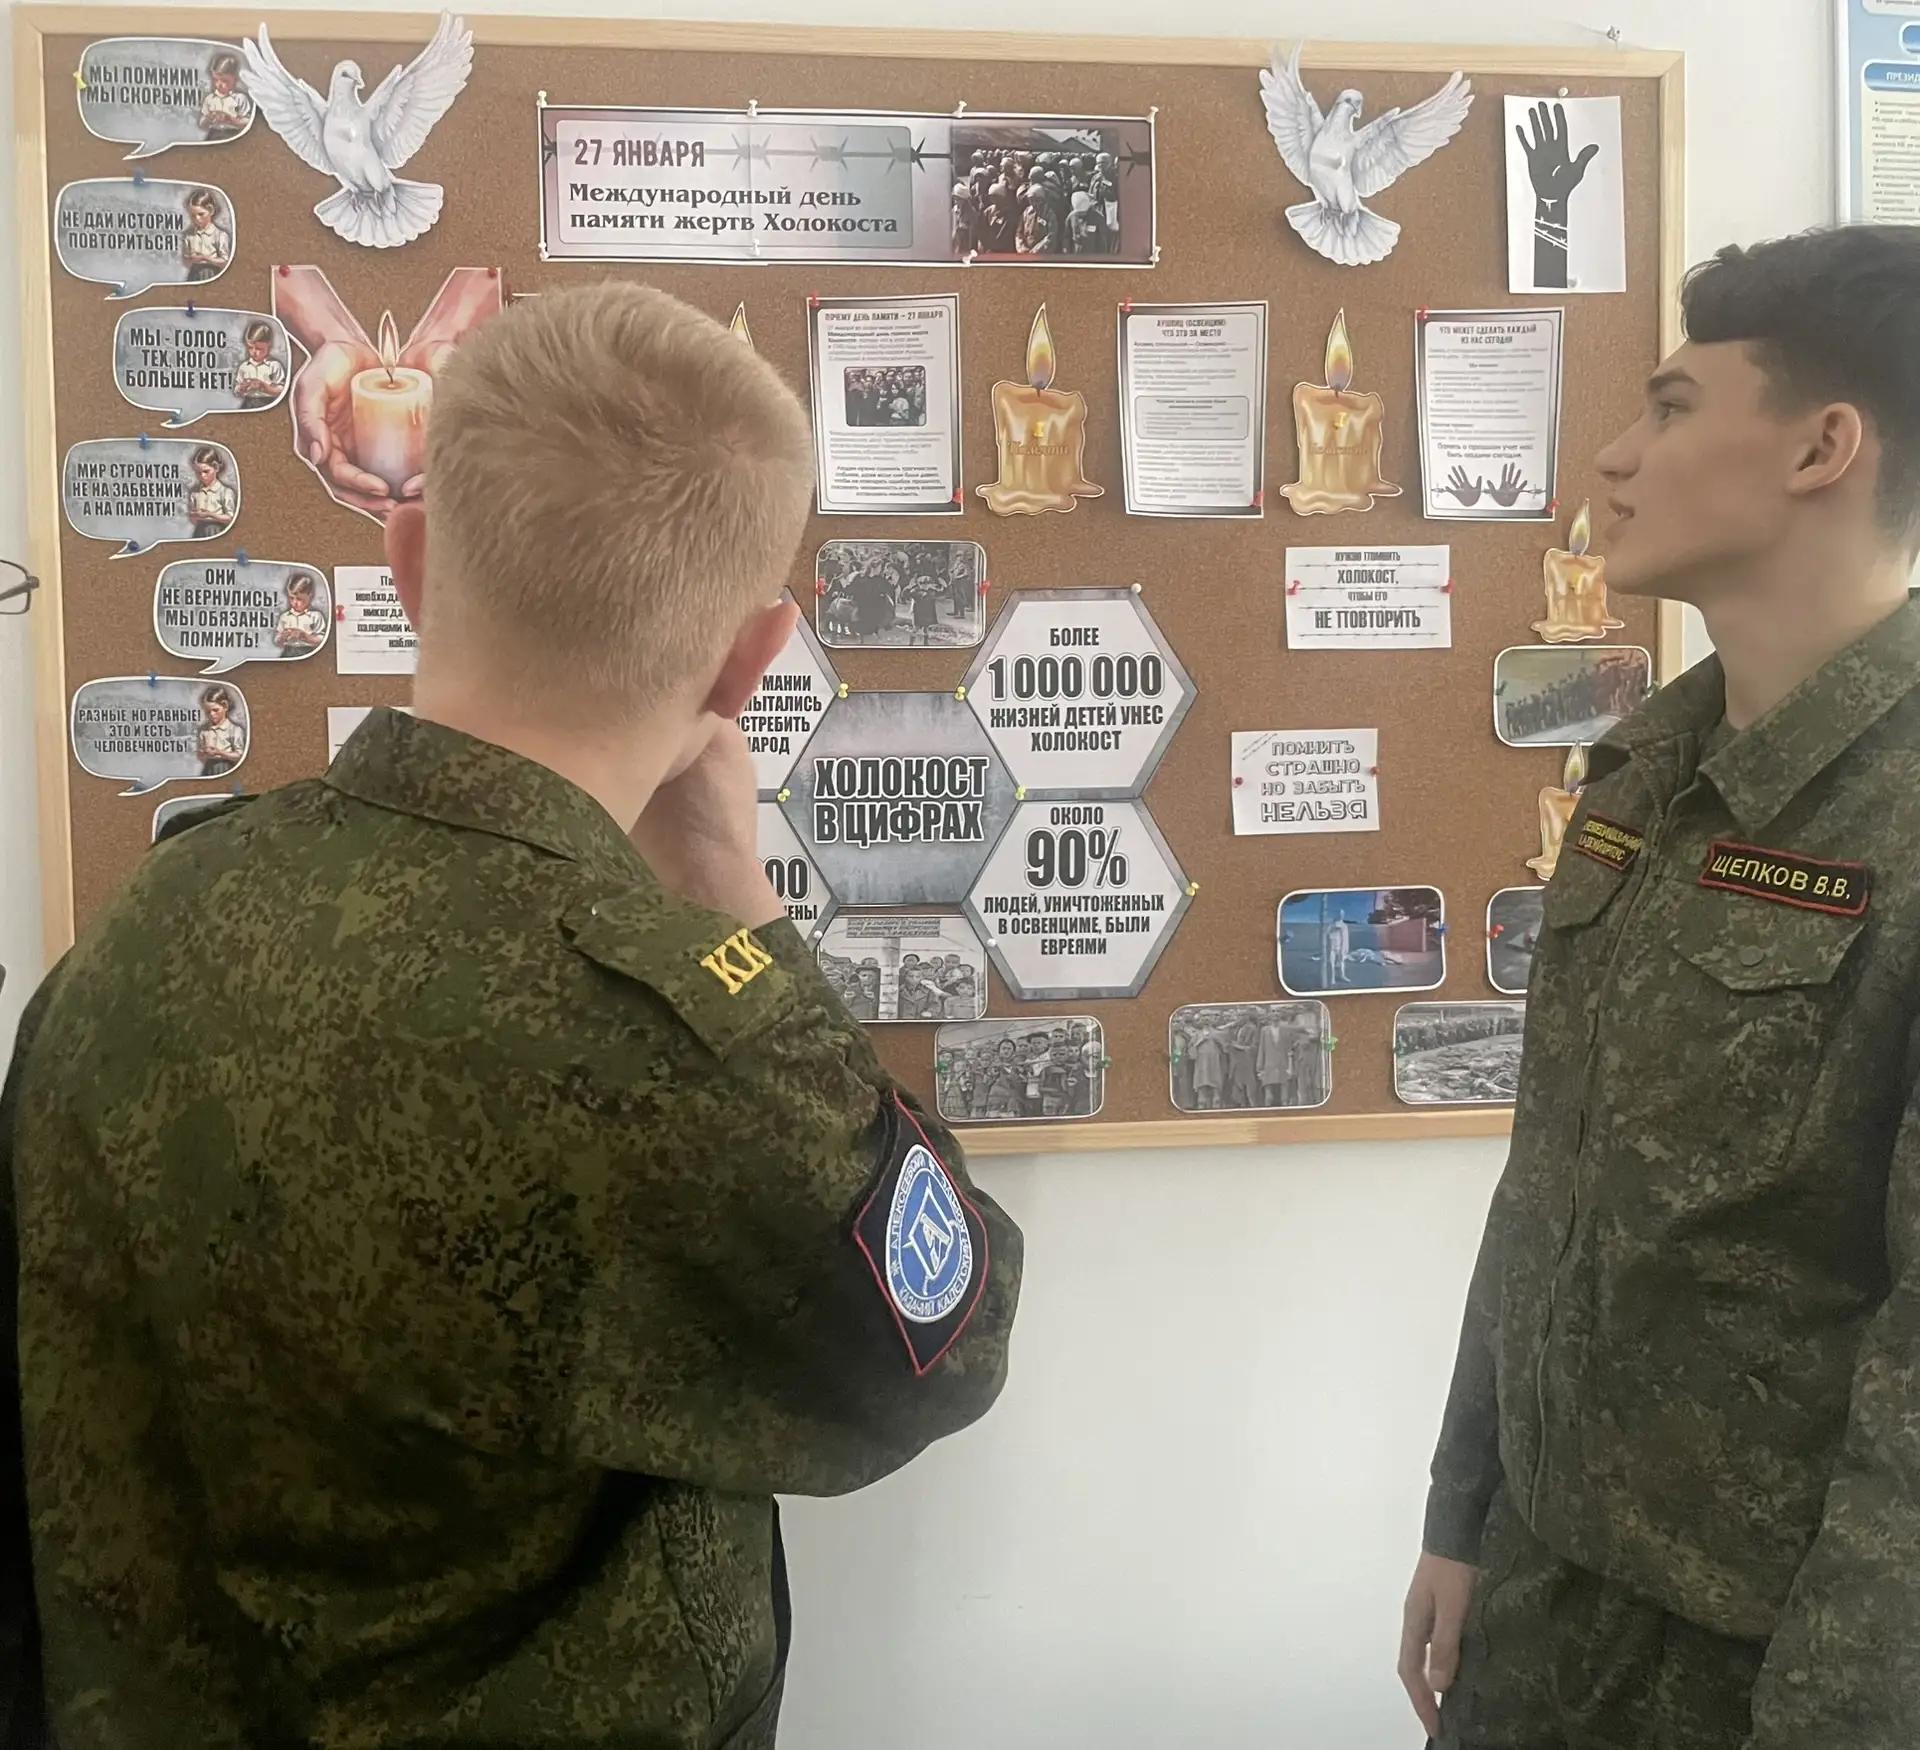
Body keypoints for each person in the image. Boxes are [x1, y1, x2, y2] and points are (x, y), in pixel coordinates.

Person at [2, 282, 1022, 1748]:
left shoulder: (146, 922)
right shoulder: (658, 1041)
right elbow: (944, 1338)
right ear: (750, 661)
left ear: (411, 561)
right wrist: (738, 903)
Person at [1402, 226, 1920, 1750]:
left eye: (1675, 407)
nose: (1617, 457)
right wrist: (1462, 1511)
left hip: (1768, 1653)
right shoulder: (1645, 771)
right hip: (1545, 1596)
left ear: (1824, 447)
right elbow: (1550, 1181)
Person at [180, 187, 230, 282]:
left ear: (211, 211)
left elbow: (225, 262)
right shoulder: (188, 235)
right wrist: (192, 260)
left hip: (212, 274)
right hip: (194, 275)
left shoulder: (220, 235)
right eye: (193, 216)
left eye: (201, 214)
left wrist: (205, 258)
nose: (197, 219)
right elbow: (185, 261)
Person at [194, 683, 245, 776]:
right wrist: (203, 753)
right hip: (208, 769)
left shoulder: (234, 729)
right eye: (208, 712)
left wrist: (220, 752)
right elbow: (200, 755)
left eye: (215, 710)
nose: (212, 714)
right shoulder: (204, 730)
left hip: (226, 768)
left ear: (225, 706)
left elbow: (239, 755)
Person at [197, 50, 252, 136]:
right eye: (215, 80)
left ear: (235, 79)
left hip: (233, 134)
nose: (218, 84)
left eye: (224, 81)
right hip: (214, 134)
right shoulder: (210, 98)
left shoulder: (240, 98)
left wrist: (231, 120)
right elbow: (201, 124)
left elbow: (248, 122)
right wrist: (208, 118)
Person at [185, 444, 236, 537]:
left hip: (217, 532)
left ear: (216, 468)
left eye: (206, 471)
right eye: (198, 472)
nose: (202, 476)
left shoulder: (225, 492)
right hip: (199, 532)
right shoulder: (195, 492)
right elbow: (193, 519)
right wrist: (194, 515)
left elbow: (230, 518)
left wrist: (210, 515)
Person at [230, 319, 285, 403]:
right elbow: (236, 389)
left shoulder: (274, 365)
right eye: (250, 348)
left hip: (268, 402)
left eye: (259, 349)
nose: (254, 352)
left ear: (269, 345)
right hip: (248, 402)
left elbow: (281, 390)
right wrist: (241, 388)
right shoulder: (244, 367)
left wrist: (264, 387)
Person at [273, 571, 327, 657]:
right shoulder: (285, 616)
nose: (294, 602)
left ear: (310, 595)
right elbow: (277, 641)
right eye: (291, 598)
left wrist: (305, 636)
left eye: (299, 599)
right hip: (288, 651)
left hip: (307, 652)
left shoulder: (315, 616)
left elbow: (321, 640)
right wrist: (282, 637)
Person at [1323, 913, 1351, 988]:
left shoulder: (1344, 925)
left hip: (1340, 947)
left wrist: (1344, 949)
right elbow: (1326, 933)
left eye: (1342, 914)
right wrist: (1333, 929)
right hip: (1331, 947)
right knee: (1331, 963)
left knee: (1341, 962)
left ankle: (1342, 976)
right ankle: (1332, 978)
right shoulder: (1330, 924)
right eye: (1339, 914)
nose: (1341, 915)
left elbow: (1345, 938)